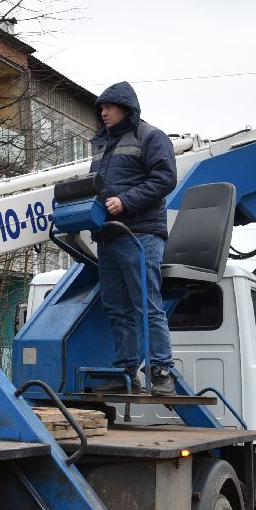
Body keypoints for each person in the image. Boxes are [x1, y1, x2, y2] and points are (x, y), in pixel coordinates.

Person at [89, 81, 178, 395]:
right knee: (116, 307)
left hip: (140, 233)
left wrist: (126, 201)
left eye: (108, 107)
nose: (103, 112)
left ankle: (162, 373)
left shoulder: (151, 136)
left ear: (125, 107)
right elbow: (96, 186)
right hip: (109, 236)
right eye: (101, 108)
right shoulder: (103, 144)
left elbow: (165, 178)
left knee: (146, 304)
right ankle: (127, 373)